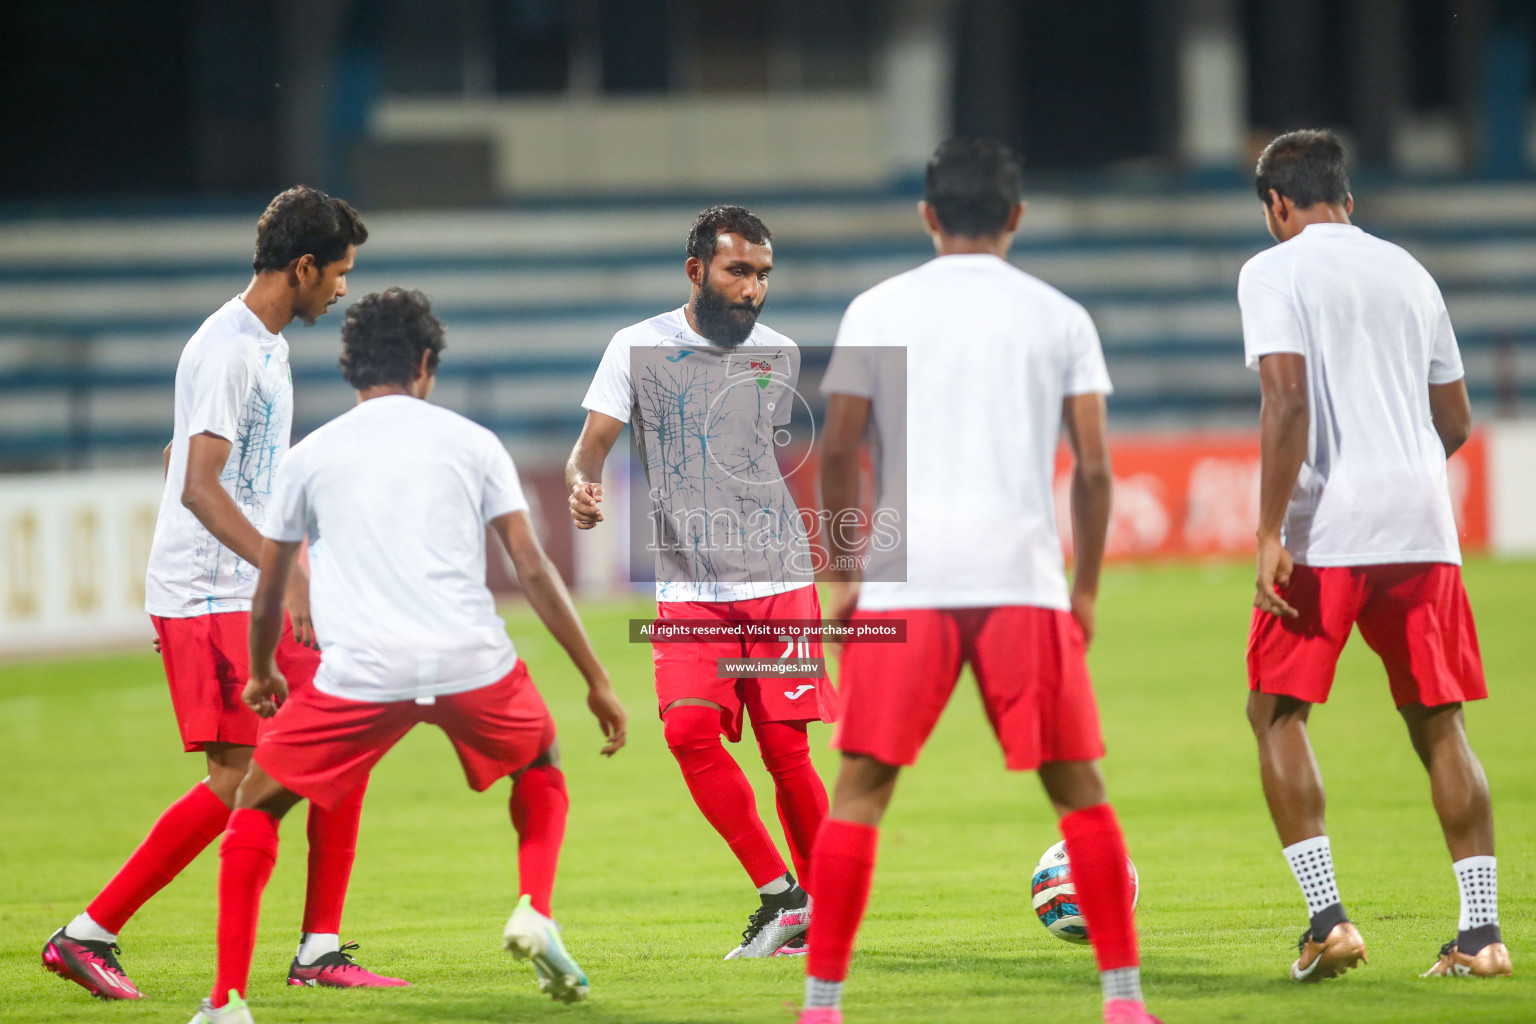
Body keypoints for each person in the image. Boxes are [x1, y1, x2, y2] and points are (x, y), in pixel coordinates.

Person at [188, 288, 627, 1024]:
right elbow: (531, 566)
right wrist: (596, 679)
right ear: (426, 363)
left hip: (362, 672)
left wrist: (263, 670)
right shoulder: (473, 442)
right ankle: (534, 908)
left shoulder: (310, 456)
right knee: (541, 762)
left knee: (256, 809)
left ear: (350, 366)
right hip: (472, 663)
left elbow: (271, 589)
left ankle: (227, 1000)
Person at [796, 139, 1159, 1024]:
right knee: (1079, 789)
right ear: (1016, 216)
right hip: (1022, 580)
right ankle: (1122, 1004)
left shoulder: (876, 308)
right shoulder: (1059, 316)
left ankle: (821, 1007)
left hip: (902, 582)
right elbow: (1098, 469)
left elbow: (838, 452)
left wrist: (843, 579)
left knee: (861, 794)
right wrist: (1086, 592)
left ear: (926, 216)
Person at [41, 186, 404, 1000]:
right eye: (337, 274)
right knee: (238, 781)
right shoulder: (230, 350)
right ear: (302, 266)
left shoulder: (265, 345)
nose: (342, 289)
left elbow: (186, 457)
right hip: (213, 598)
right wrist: (286, 570)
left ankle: (318, 949)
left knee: (343, 738)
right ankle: (88, 933)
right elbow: (202, 487)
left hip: (240, 592)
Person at [1240, 129, 1508, 981]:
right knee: (1440, 724)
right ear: (1345, 198)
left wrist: (1270, 530)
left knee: (1276, 711)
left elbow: (1285, 401)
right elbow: (1456, 421)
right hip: (1424, 526)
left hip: (1329, 531)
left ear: (1278, 205)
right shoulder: (1410, 272)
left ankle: (1329, 921)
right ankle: (1482, 936)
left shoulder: (1272, 270)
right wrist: (1405, 475)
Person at [566, 205, 834, 958]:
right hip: (690, 588)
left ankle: (823, 916)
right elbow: (589, 451)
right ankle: (783, 896)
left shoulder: (778, 355)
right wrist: (583, 487)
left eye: (762, 275)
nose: (753, 288)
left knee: (787, 754)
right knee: (688, 731)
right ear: (697, 271)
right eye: (738, 271)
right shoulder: (634, 347)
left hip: (778, 578)